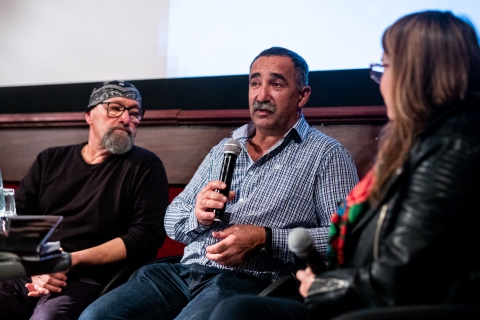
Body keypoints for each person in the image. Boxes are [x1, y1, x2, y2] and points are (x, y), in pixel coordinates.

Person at [207, 10, 480, 320]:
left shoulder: (453, 147)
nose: (379, 81)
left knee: (237, 310)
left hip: (395, 306)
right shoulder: (418, 143)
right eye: (254, 83)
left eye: (384, 68)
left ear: (417, 73)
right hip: (360, 293)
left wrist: (325, 285)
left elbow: (400, 277)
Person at [80, 47, 359, 319]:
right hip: (183, 273)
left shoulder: (326, 155)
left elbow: (347, 238)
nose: (262, 95)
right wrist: (198, 217)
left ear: (302, 95)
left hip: (249, 281)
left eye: (276, 84)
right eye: (254, 83)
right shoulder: (227, 147)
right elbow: (172, 220)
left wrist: (267, 239)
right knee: (95, 315)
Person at [0, 80, 169, 320]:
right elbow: (17, 217)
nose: (125, 119)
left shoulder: (145, 166)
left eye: (134, 113)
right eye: (115, 108)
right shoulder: (50, 160)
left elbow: (146, 236)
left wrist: (69, 260)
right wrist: (38, 266)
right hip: (37, 267)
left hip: (94, 276)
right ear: (89, 115)